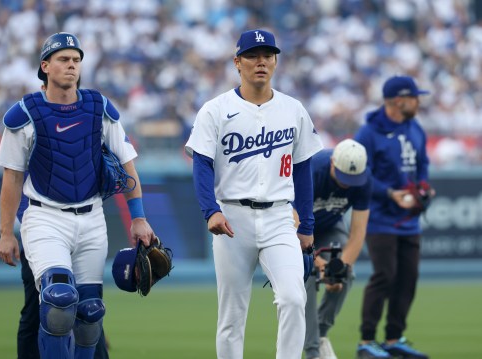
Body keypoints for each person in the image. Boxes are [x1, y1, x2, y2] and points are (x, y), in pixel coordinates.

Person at [0, 32, 155, 359]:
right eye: (63, 59)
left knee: (90, 313)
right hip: (44, 216)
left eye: (76, 60)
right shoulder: (25, 113)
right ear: (46, 66)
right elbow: (11, 177)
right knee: (58, 301)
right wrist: (5, 232)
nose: (71, 66)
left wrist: (138, 217)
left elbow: (127, 164)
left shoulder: (99, 107)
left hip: (91, 217)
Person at [185, 29, 323, 359]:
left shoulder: (293, 109)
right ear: (237, 62)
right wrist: (210, 210)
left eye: (268, 55)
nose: (261, 61)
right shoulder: (215, 110)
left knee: (293, 298)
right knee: (232, 316)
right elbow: (201, 163)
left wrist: (307, 225)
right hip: (233, 218)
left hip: (279, 216)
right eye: (252, 55)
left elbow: (303, 169)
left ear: (275, 61)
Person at [354, 75, 434, 359]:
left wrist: (423, 187)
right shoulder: (369, 133)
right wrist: (390, 194)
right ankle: (366, 342)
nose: (418, 101)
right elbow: (359, 174)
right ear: (399, 100)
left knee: (408, 278)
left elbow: (422, 163)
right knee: (384, 276)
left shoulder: (415, 127)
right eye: (414, 97)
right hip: (379, 217)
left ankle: (392, 338)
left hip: (408, 219)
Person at [292, 139, 372, 359]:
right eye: (344, 177)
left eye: (353, 179)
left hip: (330, 226)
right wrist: (319, 264)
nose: (348, 184)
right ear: (332, 163)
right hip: (298, 227)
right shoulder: (311, 168)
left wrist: (337, 269)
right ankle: (313, 352)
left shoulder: (364, 179)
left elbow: (358, 232)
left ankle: (321, 332)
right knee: (306, 275)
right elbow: (293, 219)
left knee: (345, 275)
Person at [16, 182, 109, 359]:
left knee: (89, 311)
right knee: (47, 309)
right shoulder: (33, 156)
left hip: (83, 230)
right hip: (43, 236)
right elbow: (14, 180)